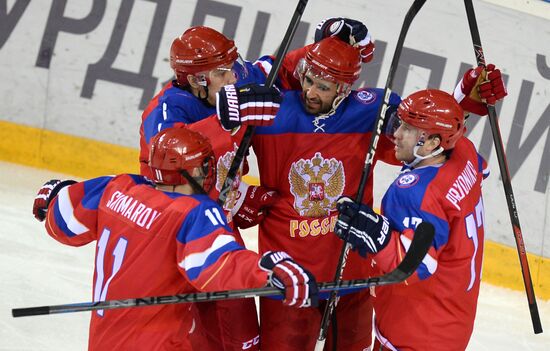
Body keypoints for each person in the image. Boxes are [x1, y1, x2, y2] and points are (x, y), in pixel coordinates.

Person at [216, 18, 507, 348]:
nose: (311, 92)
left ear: (344, 89)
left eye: (323, 88)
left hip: (351, 270)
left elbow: (428, 134)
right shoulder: (270, 111)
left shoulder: (370, 110)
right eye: (308, 80)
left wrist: (466, 97)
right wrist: (237, 193)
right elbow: (216, 159)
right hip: (289, 275)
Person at [138, 22, 373, 350]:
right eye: (224, 72)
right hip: (176, 231)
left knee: (242, 333)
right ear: (196, 80)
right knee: (190, 333)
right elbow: (167, 157)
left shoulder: (231, 79)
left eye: (233, 66)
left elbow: (279, 69)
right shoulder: (167, 111)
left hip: (217, 221)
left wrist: (331, 45)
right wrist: (225, 119)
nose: (235, 77)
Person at [31, 126, 318, 351]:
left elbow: (63, 219)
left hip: (103, 340)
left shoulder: (118, 188)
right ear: (193, 171)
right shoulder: (192, 212)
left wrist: (55, 196)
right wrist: (268, 271)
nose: (208, 173)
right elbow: (219, 264)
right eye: (206, 166)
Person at [333, 89, 499, 350]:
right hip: (451, 318)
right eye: (401, 124)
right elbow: (483, 169)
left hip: (417, 332)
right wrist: (463, 96)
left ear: (433, 143)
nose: (396, 134)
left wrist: (377, 236)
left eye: (408, 129)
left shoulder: (414, 194)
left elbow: (418, 265)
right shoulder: (463, 151)